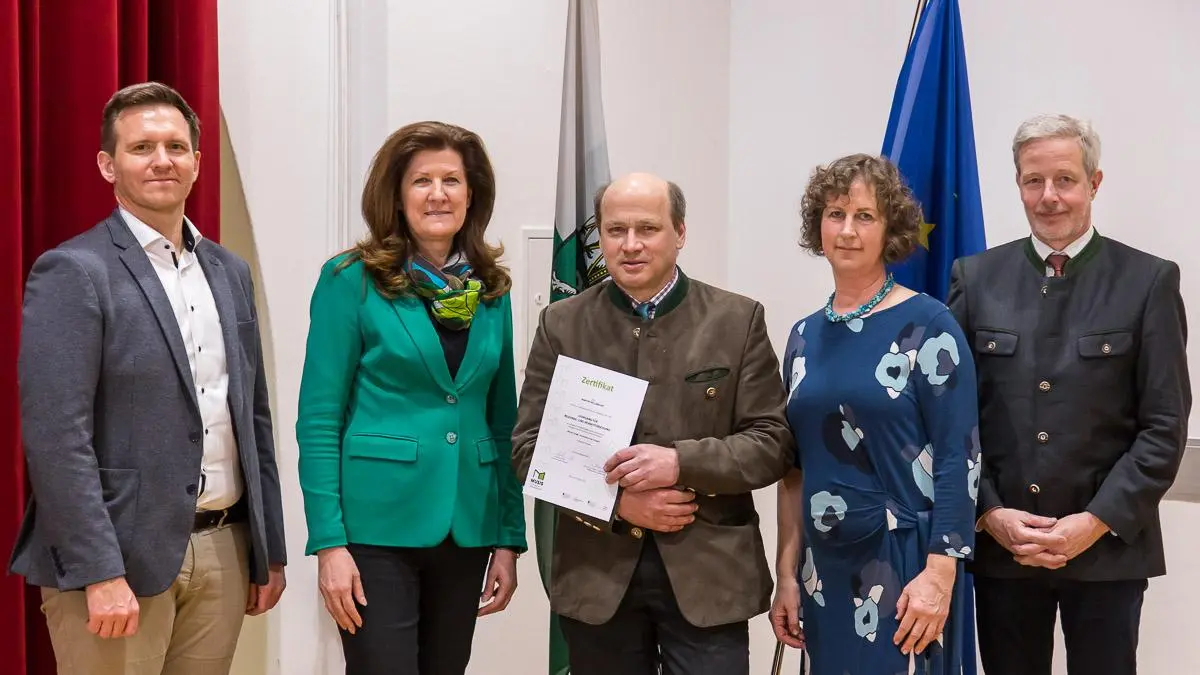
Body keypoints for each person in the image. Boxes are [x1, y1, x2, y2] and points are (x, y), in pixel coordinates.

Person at [8, 81, 287, 675]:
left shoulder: (229, 271)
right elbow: (57, 436)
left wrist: (269, 551)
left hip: (225, 547)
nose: (162, 160)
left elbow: (251, 417)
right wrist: (98, 570)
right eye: (141, 148)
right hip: (118, 560)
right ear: (108, 165)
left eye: (176, 147)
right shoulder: (74, 271)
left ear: (196, 162)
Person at [512, 172, 794, 675]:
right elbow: (529, 450)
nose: (631, 244)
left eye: (648, 228)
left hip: (710, 576)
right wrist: (619, 503)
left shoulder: (737, 319)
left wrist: (680, 462)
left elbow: (771, 443)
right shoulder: (562, 324)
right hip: (596, 577)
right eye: (615, 231)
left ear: (680, 232)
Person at [948, 114, 1190, 675]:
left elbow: (1163, 426)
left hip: (1107, 551)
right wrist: (988, 513)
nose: (1049, 196)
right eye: (1034, 181)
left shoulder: (1148, 280)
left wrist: (1095, 520)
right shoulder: (976, 278)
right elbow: (950, 420)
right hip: (1006, 550)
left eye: (1065, 180)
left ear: (1095, 183)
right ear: (1018, 185)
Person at [296, 120, 526, 675]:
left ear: (473, 195)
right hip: (375, 530)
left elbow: (503, 421)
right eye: (422, 181)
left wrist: (508, 538)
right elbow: (320, 419)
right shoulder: (350, 279)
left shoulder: (490, 291)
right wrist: (329, 542)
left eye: (452, 180)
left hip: (467, 525)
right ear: (397, 196)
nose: (439, 194)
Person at [770, 153, 980, 674]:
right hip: (822, 570)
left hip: (908, 567)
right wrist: (786, 573)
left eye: (864, 216)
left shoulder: (930, 325)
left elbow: (960, 456)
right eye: (835, 214)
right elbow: (794, 470)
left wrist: (940, 573)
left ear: (890, 229)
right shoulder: (802, 337)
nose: (847, 230)